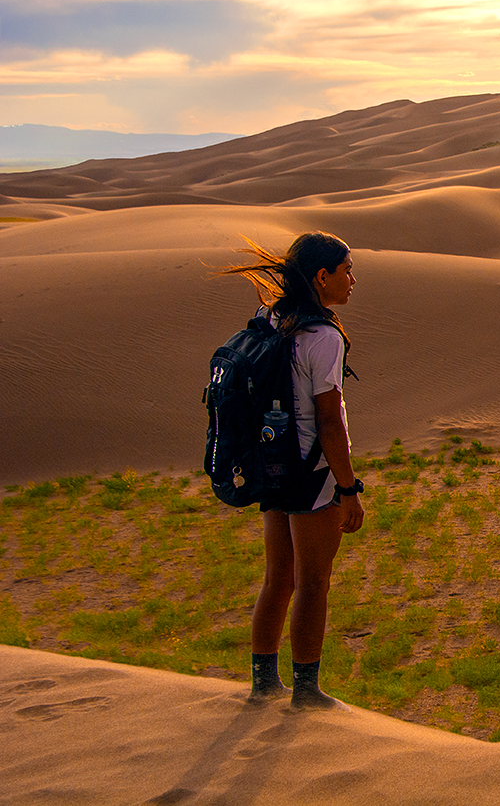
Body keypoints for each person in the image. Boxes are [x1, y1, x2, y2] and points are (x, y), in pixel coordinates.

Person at [221, 232, 365, 710]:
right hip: (311, 472)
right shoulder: (322, 337)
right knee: (313, 581)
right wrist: (349, 489)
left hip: (271, 463)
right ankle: (306, 690)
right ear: (322, 277)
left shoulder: (271, 318)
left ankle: (264, 683)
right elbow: (329, 421)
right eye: (347, 271)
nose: (353, 280)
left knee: (277, 575)